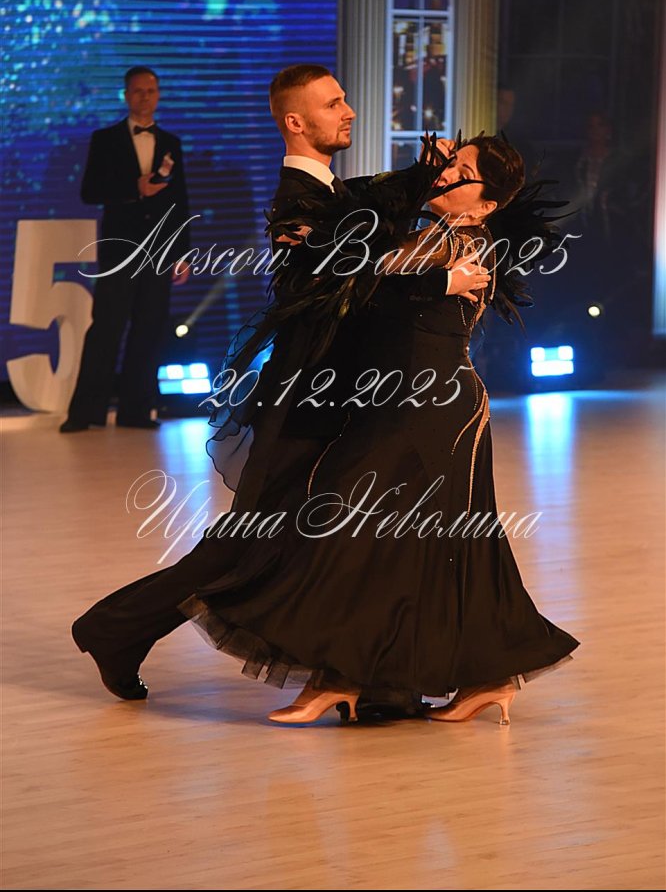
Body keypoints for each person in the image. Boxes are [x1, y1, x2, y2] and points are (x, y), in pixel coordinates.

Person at [70, 64, 487, 708]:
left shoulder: (326, 190)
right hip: (305, 404)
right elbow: (332, 277)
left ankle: (372, 681)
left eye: (345, 99)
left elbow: (370, 201)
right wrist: (440, 280)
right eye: (333, 103)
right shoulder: (298, 202)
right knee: (245, 548)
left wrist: (425, 174)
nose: (349, 111)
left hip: (335, 401)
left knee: (293, 544)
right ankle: (114, 628)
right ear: (296, 121)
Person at [176, 133, 580, 725]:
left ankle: (341, 677)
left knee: (347, 526)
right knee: (416, 548)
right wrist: (413, 181)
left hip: (434, 411)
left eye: (461, 171)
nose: (447, 175)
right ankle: (456, 676)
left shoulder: (460, 243)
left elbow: (371, 272)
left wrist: (355, 250)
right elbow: (364, 265)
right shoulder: (435, 235)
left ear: (486, 205)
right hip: (408, 405)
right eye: (451, 164)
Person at [60, 66, 191, 433]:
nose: (144, 97)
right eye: (137, 91)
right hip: (119, 251)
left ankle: (136, 410)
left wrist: (182, 252)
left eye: (150, 91)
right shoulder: (105, 139)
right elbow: (90, 191)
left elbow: (180, 201)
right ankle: (85, 412)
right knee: (106, 327)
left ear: (158, 95)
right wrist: (135, 188)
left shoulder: (171, 142)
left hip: (158, 251)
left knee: (149, 328)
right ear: (125, 94)